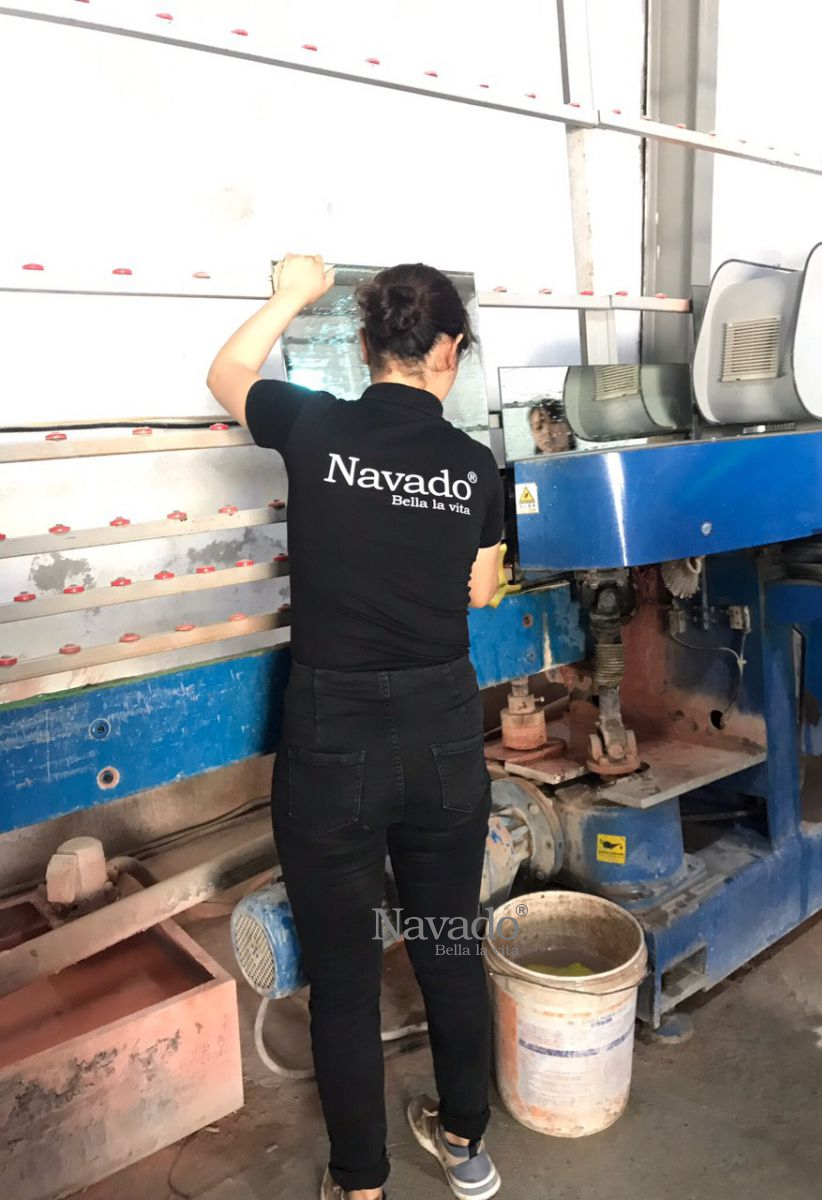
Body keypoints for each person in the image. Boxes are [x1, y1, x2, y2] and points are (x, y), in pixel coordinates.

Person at [207, 255, 505, 1200]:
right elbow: (482, 591)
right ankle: (465, 1144)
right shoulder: (475, 466)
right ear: (450, 350)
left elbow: (225, 372)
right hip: (442, 731)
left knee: (342, 976)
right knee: (448, 944)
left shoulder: (316, 424)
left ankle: (361, 1184)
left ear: (366, 343)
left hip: (333, 736)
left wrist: (292, 293)